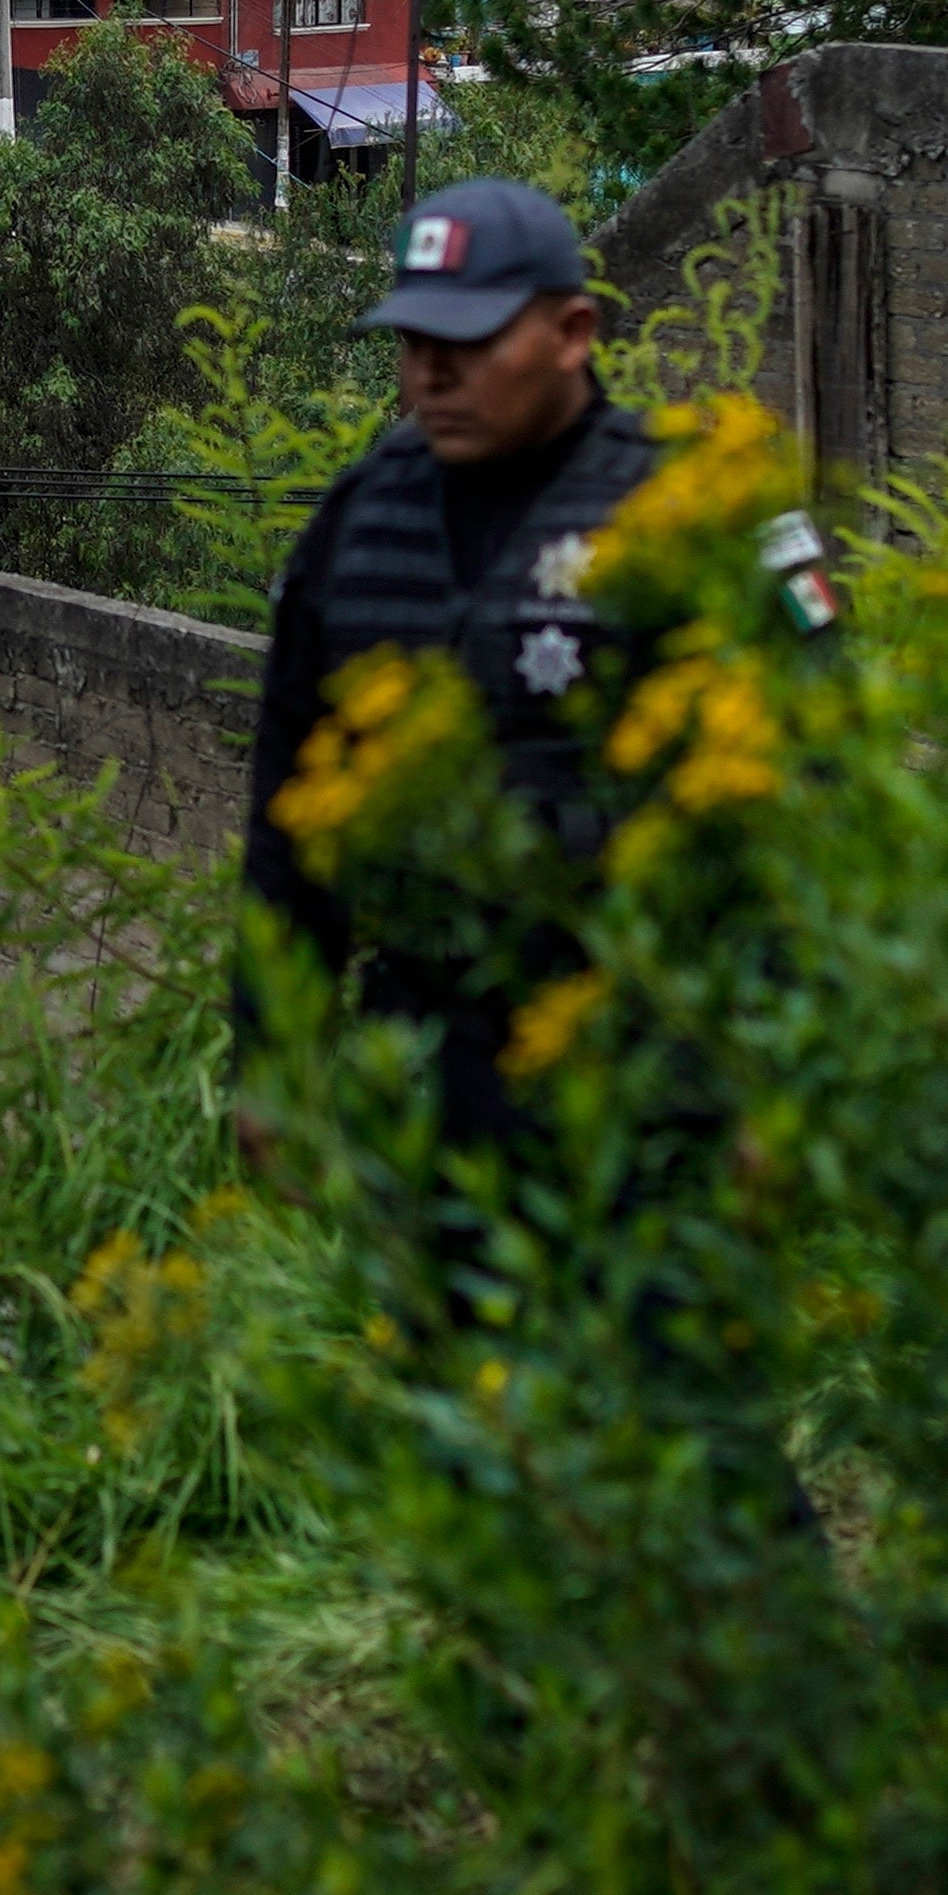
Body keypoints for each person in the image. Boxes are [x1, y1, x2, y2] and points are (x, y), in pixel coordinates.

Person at [238, 176, 671, 1161]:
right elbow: (288, 814)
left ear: (572, 332)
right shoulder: (360, 520)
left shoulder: (675, 514)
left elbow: (790, 811)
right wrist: (278, 1060)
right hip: (424, 1066)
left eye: (469, 344)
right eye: (412, 344)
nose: (430, 374)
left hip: (641, 1069)